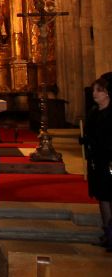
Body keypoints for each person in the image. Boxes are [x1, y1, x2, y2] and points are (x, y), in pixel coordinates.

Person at [80, 74, 112, 250]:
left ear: (107, 93)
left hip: (109, 161)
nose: (94, 93)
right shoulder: (94, 112)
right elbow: (92, 134)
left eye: (98, 90)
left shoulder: (110, 113)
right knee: (102, 196)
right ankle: (107, 233)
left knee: (109, 195)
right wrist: (86, 141)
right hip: (97, 161)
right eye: (94, 90)